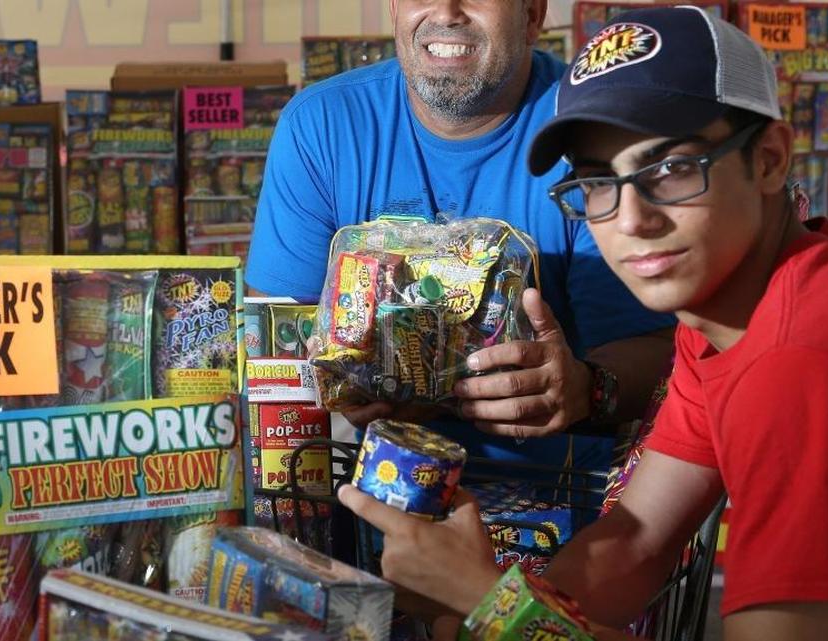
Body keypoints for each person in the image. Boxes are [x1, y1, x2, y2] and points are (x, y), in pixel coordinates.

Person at [338, 6, 828, 640]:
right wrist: (468, 612)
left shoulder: (798, 354)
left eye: (671, 169)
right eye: (596, 182)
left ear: (770, 161)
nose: (631, 220)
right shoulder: (722, 315)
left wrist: (482, 596)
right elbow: (631, 546)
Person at [246, 0, 675, 469]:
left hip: (561, 485)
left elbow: (659, 348)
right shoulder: (321, 126)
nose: (447, 12)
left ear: (532, 16)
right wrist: (335, 376)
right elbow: (277, 342)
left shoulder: (592, 129)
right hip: (376, 478)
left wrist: (587, 387)